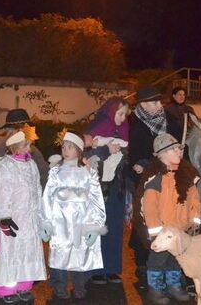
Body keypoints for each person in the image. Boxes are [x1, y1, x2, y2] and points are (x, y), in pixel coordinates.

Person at [41, 131, 106, 300]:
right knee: (59, 254)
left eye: (70, 147)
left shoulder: (88, 173)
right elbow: (47, 197)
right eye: (63, 146)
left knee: (81, 253)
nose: (65, 150)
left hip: (81, 220)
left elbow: (96, 198)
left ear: (79, 150)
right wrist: (46, 222)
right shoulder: (56, 172)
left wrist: (96, 225)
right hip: (60, 221)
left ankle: (79, 286)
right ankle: (59, 287)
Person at [141, 133, 201, 304]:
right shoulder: (156, 181)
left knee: (176, 259)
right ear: (162, 155)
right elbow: (150, 208)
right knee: (157, 260)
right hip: (163, 232)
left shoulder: (186, 177)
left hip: (180, 230)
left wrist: (194, 220)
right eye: (173, 149)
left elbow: (194, 201)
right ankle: (155, 289)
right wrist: (156, 232)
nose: (179, 152)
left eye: (179, 149)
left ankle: (173, 286)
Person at [129, 86, 183, 277]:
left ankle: (170, 257)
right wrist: (140, 166)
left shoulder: (169, 120)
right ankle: (143, 257)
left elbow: (178, 144)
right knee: (146, 216)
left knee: (168, 214)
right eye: (154, 102)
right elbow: (132, 152)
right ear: (142, 104)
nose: (159, 106)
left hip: (168, 174)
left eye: (160, 101)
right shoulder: (134, 123)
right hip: (144, 176)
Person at [0, 126, 46, 303]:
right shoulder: (6, 166)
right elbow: (2, 192)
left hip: (30, 219)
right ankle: (7, 288)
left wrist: (40, 214)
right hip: (14, 219)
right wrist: (4, 217)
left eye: (29, 145)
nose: (28, 149)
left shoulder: (31, 165)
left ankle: (24, 285)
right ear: (14, 146)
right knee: (12, 251)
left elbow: (37, 190)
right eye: (25, 145)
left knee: (29, 251)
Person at [85, 98, 131, 285]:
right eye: (119, 113)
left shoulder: (125, 128)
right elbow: (87, 155)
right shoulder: (99, 125)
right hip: (98, 185)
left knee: (114, 227)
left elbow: (127, 154)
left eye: (125, 114)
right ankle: (96, 269)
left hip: (116, 185)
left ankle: (112, 268)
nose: (122, 118)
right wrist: (105, 149)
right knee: (98, 226)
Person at [0, 109, 50, 187]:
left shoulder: (33, 151)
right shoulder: (1, 152)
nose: (23, 133)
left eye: (26, 130)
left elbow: (45, 175)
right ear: (10, 131)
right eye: (19, 130)